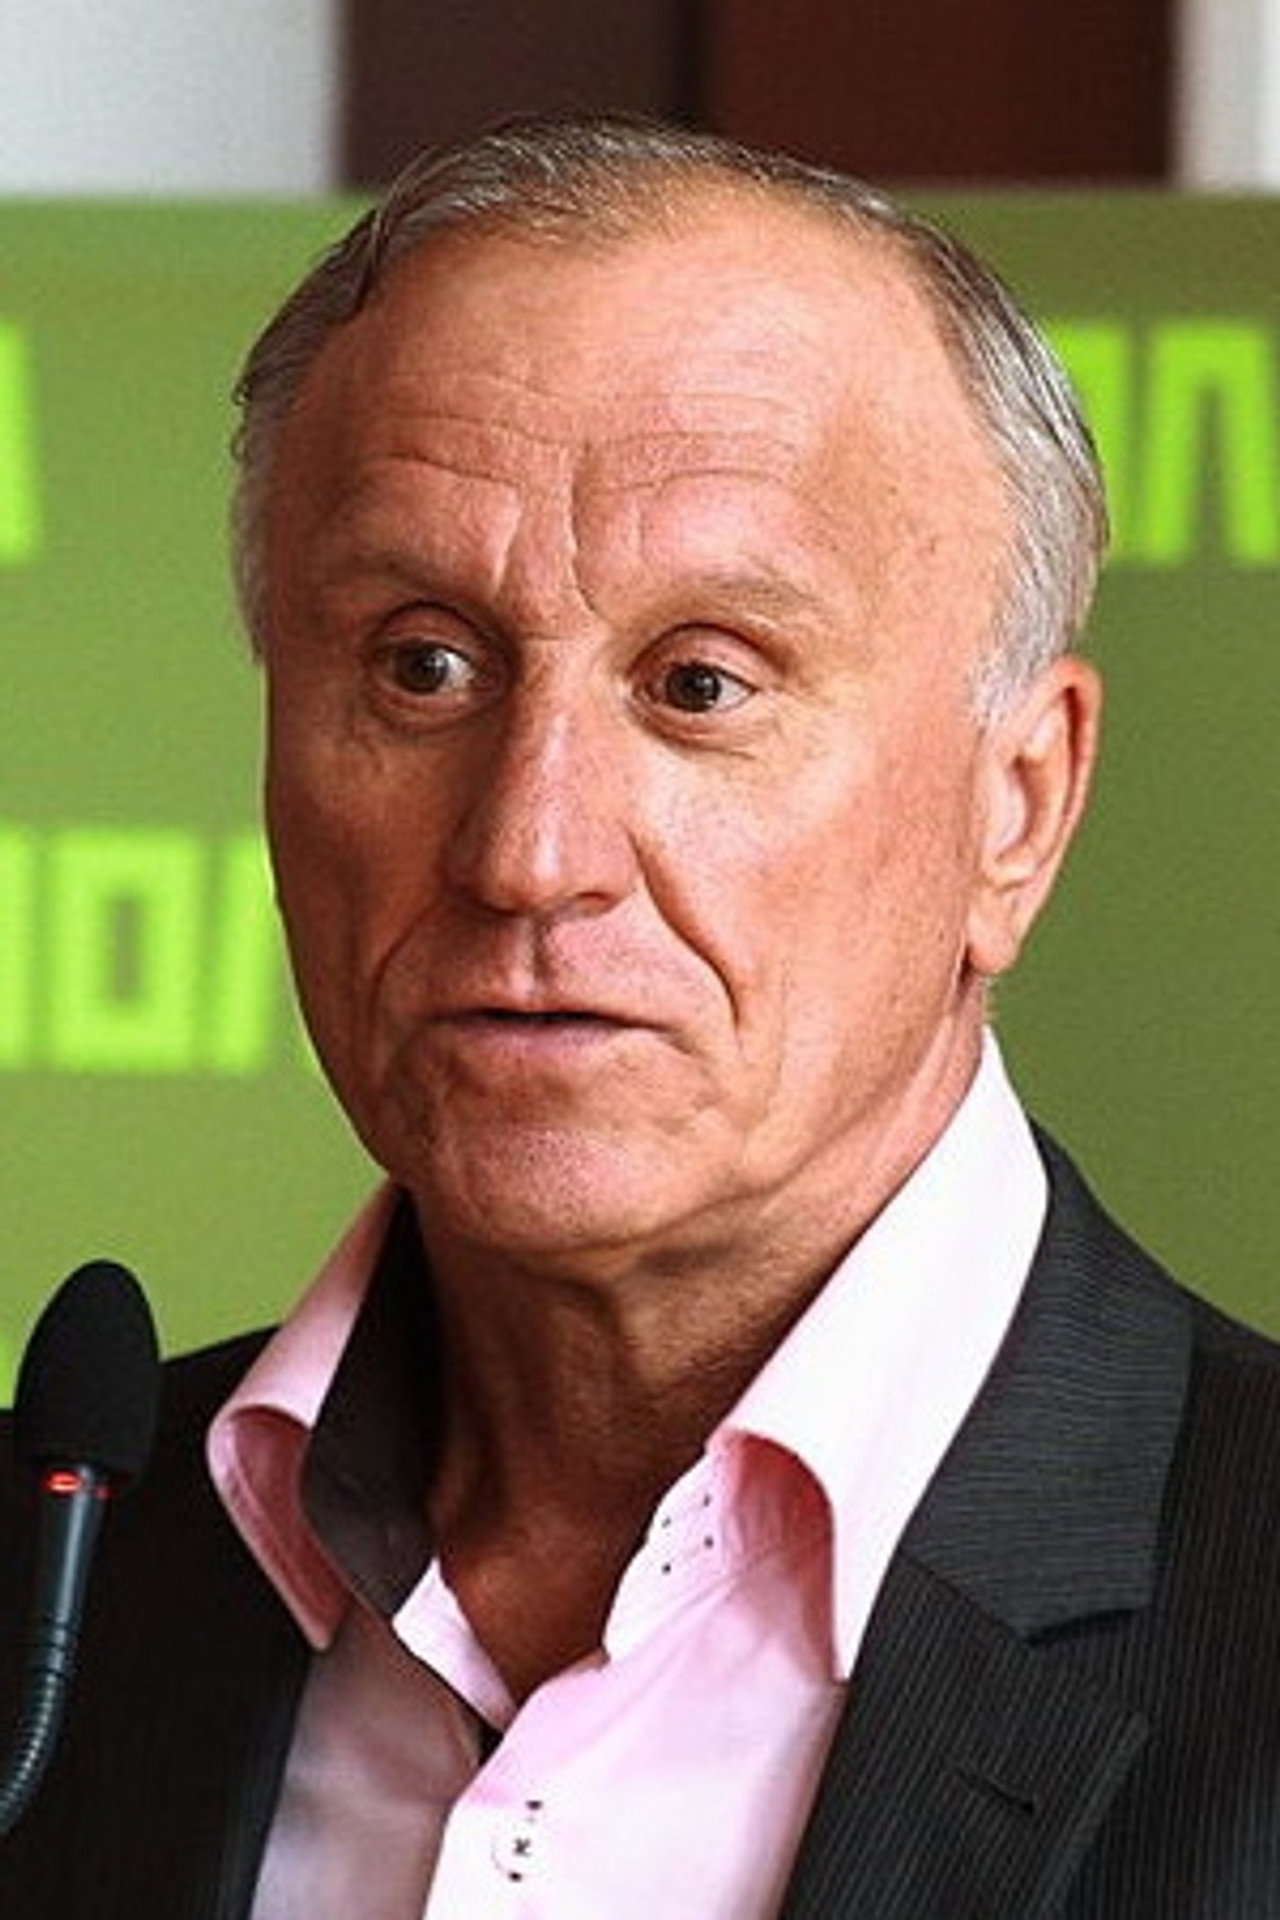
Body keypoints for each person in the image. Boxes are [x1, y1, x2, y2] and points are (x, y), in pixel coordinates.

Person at [3, 113, 1280, 1919]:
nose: (528, 855)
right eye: (423, 664)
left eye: (700, 685)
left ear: (1018, 805)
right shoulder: (53, 1573)